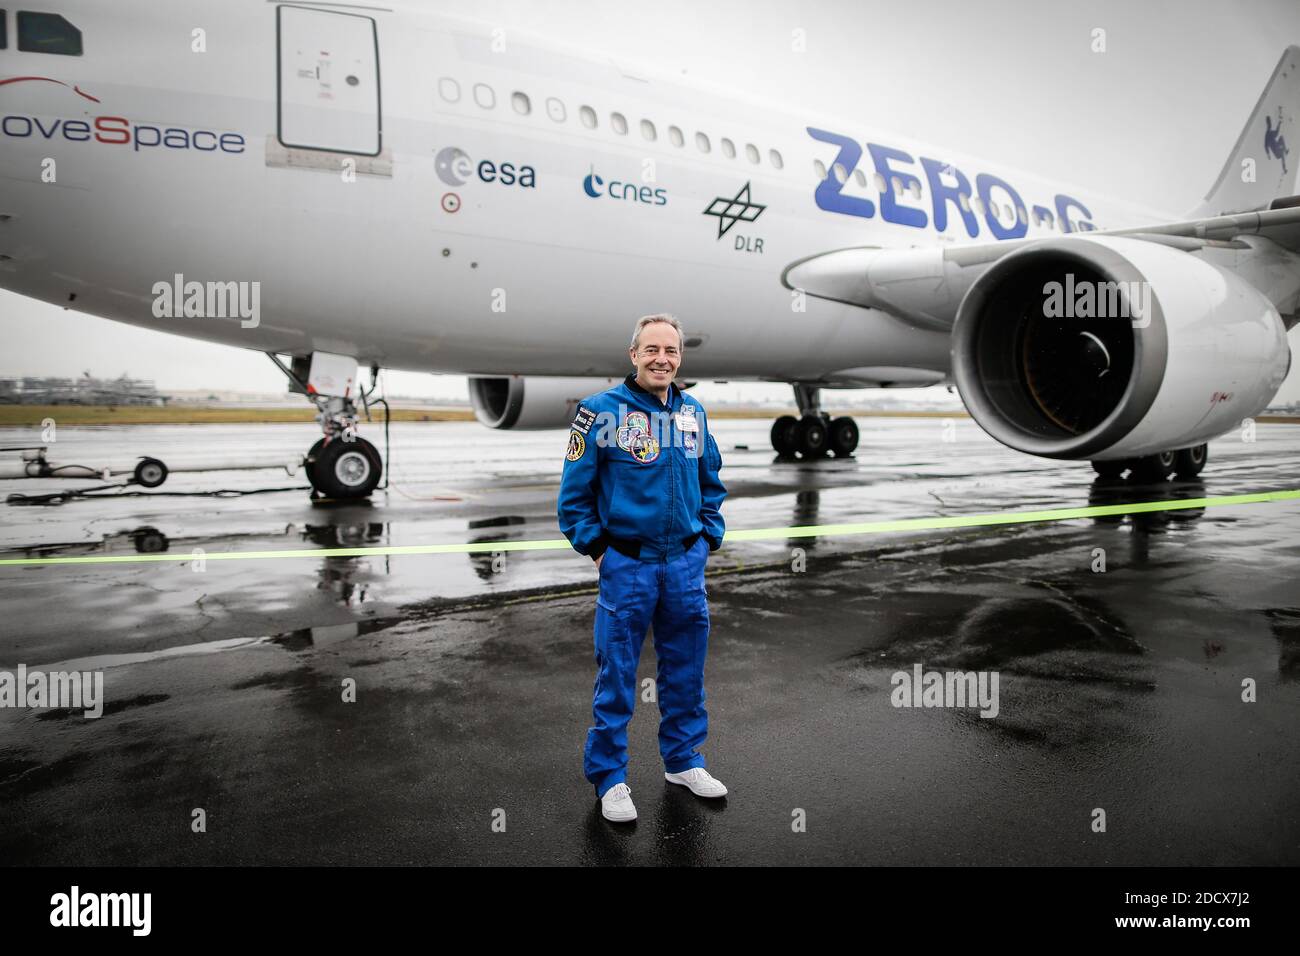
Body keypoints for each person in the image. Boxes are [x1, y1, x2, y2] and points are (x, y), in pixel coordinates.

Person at [557, 313, 728, 823]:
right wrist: (598, 550)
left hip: (683, 564)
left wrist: (708, 536)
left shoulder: (692, 412)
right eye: (651, 350)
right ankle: (610, 777)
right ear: (633, 355)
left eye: (671, 351)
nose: (662, 359)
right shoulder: (599, 413)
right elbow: (574, 497)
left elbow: (711, 479)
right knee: (617, 674)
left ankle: (683, 760)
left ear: (680, 358)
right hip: (627, 566)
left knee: (685, 670)